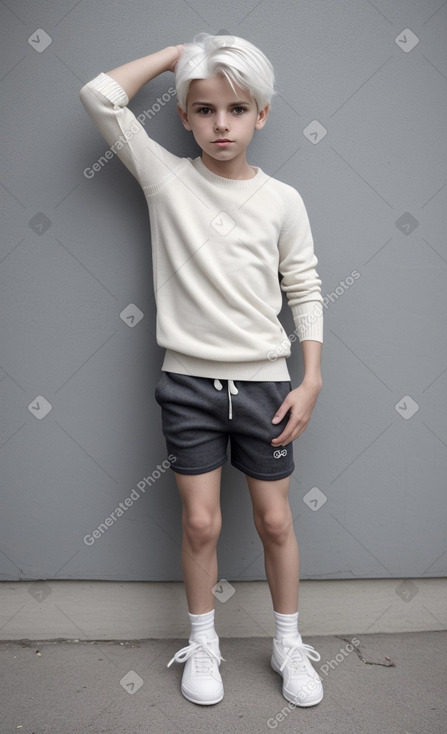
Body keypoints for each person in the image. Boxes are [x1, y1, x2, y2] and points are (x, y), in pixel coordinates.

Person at [79, 32, 324, 708]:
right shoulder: (164, 177)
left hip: (267, 386)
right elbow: (99, 96)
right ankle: (204, 643)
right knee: (200, 524)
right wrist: (174, 56)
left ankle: (286, 643)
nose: (222, 124)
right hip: (187, 386)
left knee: (275, 521)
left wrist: (309, 378)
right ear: (184, 116)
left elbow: (303, 286)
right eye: (206, 109)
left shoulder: (283, 200)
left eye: (238, 109)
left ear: (262, 115)